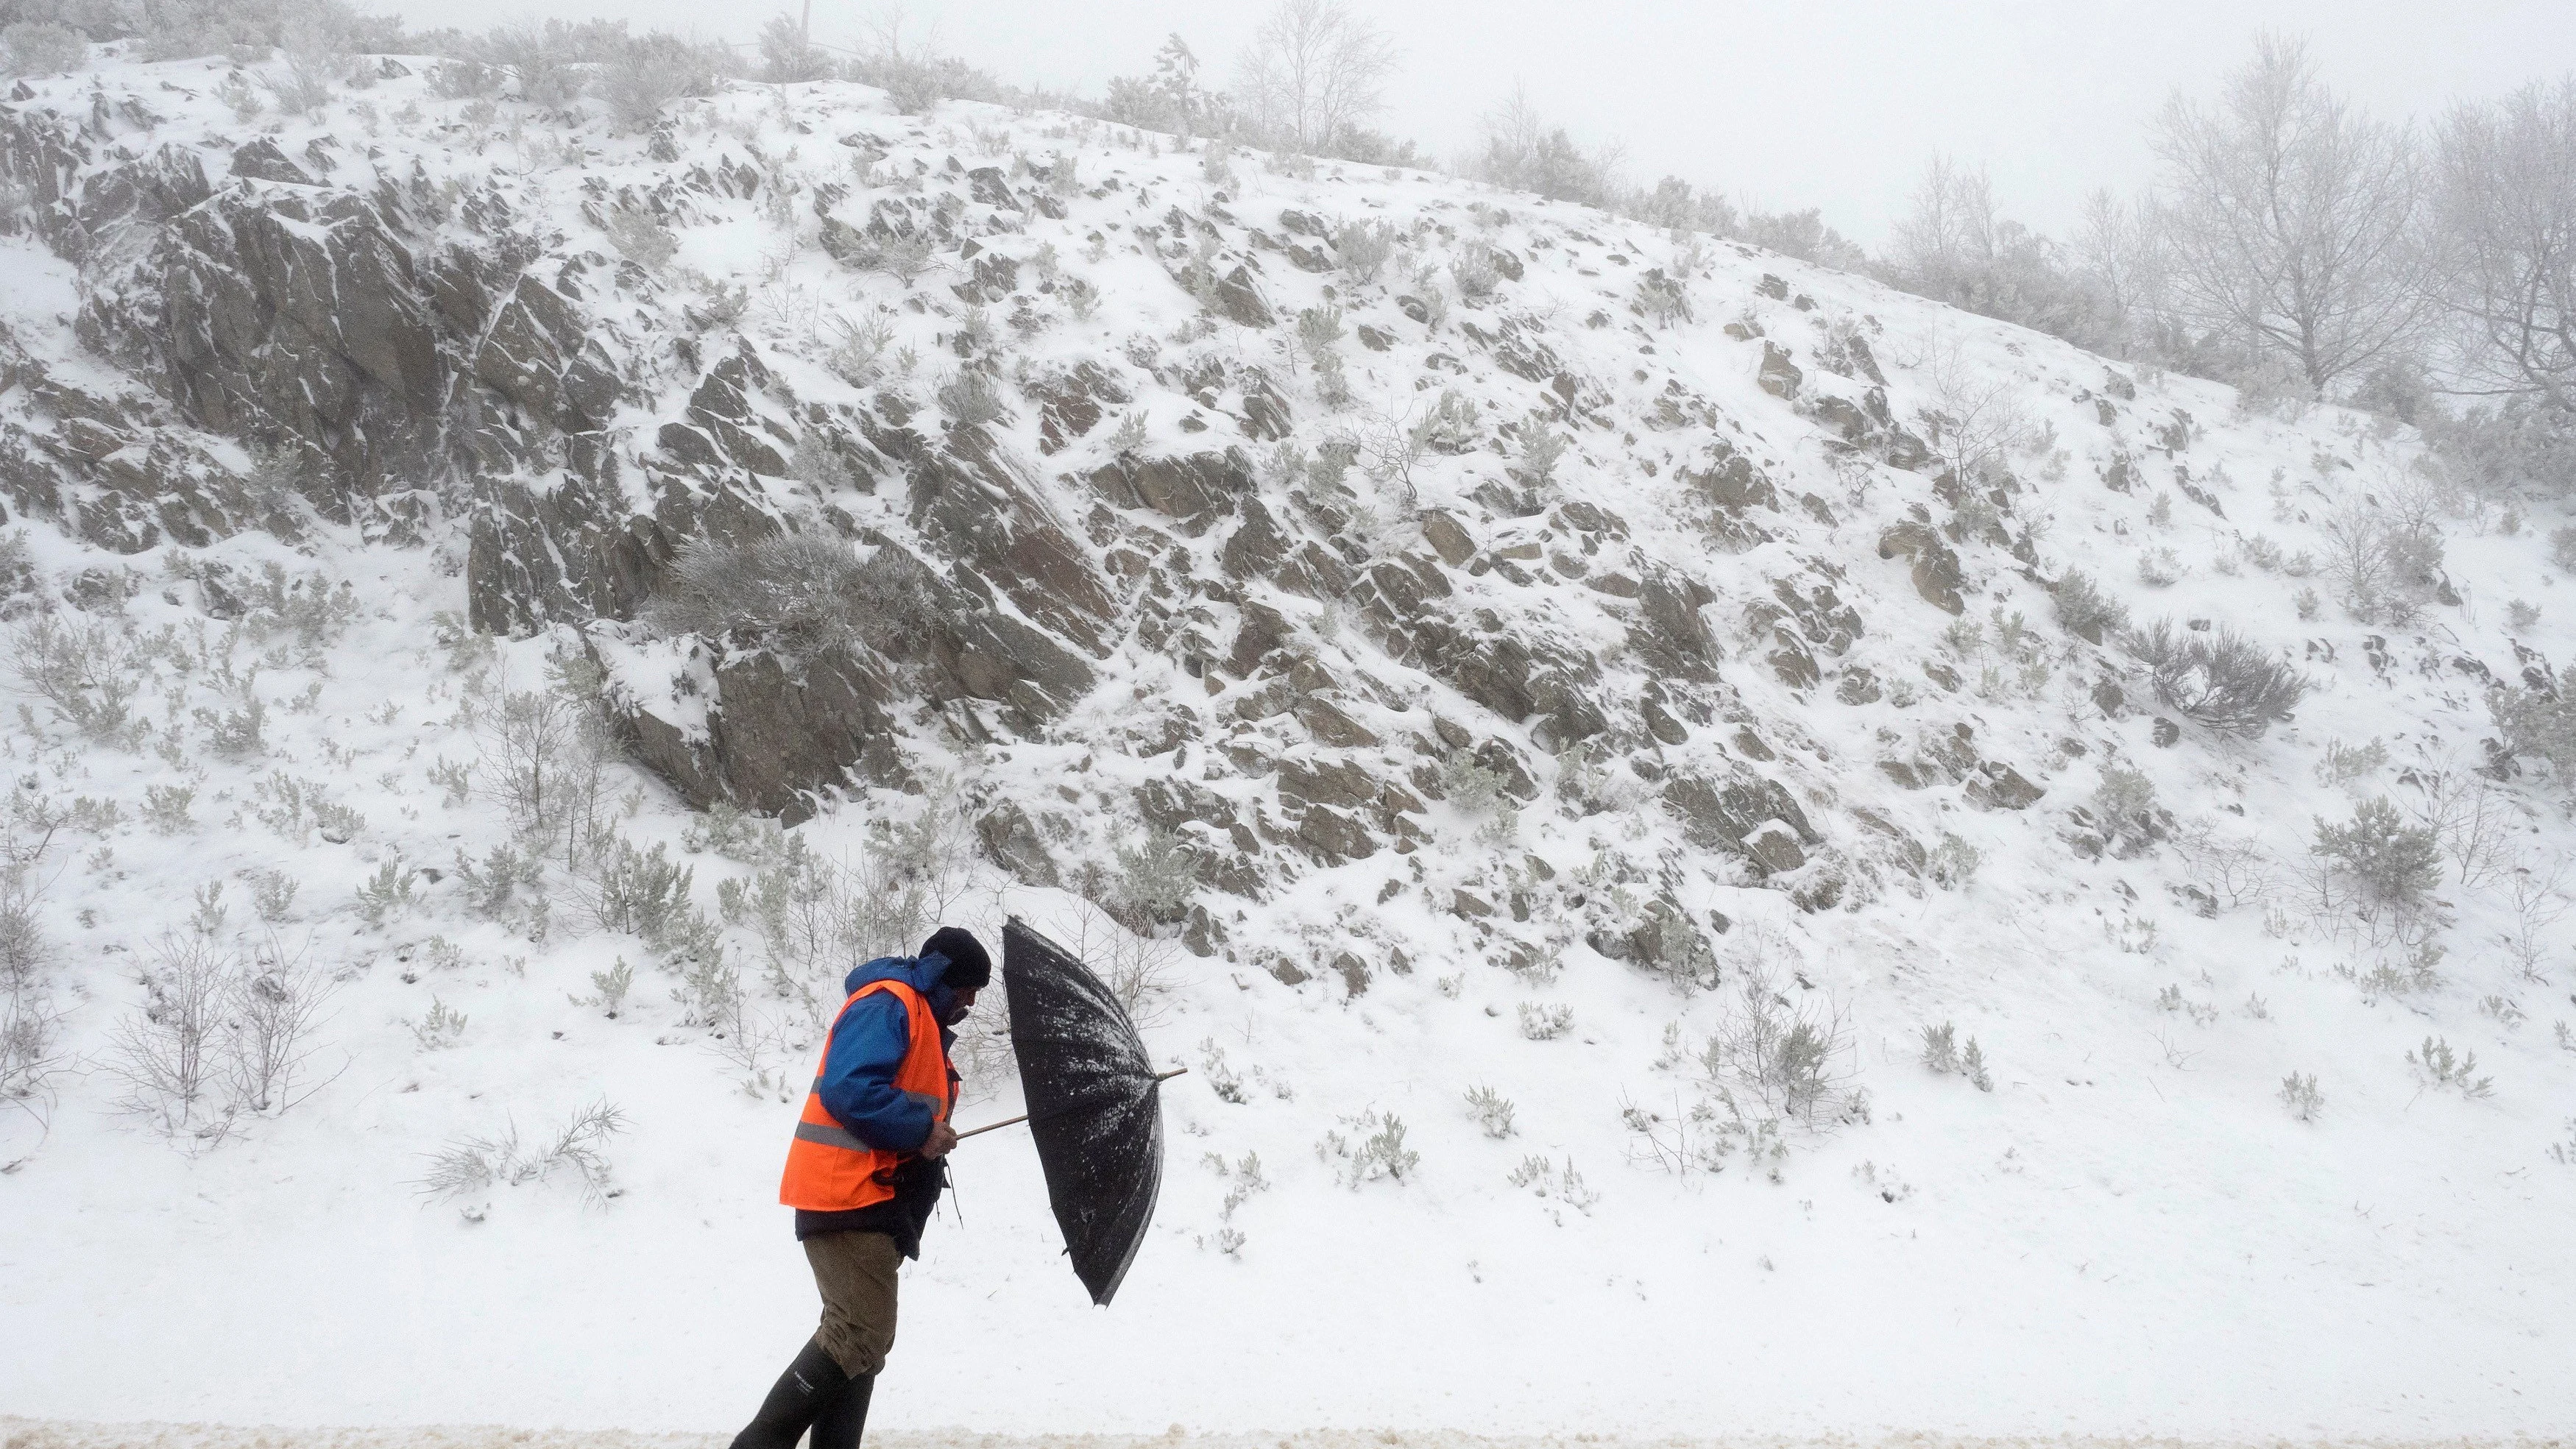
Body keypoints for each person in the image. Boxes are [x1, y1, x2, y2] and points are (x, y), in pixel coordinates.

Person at [729, 926, 990, 1449]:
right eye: (966, 989)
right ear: (943, 976)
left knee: (862, 1345)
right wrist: (920, 1129)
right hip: (845, 1192)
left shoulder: (922, 1021)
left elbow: (900, 1100)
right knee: (858, 1334)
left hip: (872, 1198)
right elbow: (851, 1088)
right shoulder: (891, 1002)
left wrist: (930, 1133)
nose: (970, 1002)